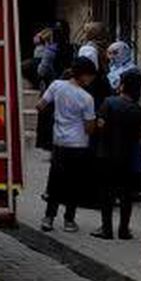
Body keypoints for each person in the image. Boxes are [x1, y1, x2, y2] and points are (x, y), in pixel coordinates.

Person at [37, 56, 98, 233]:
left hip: (59, 142)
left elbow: (41, 105)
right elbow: (89, 128)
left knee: (55, 181)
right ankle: (69, 220)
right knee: (73, 183)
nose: (91, 79)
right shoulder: (87, 98)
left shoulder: (57, 85)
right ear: (84, 75)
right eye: (91, 76)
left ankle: (48, 218)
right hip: (78, 144)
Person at [93, 70, 141, 240]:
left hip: (106, 156)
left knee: (106, 194)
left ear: (122, 85)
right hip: (127, 159)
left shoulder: (109, 103)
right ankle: (124, 230)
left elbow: (100, 125)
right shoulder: (139, 111)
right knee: (126, 196)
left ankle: (106, 229)